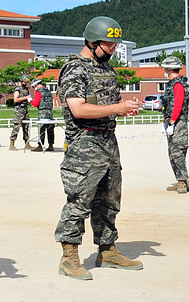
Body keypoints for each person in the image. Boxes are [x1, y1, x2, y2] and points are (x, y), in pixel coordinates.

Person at [53, 17, 144, 280]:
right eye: (109, 44)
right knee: (80, 200)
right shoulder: (74, 69)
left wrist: (124, 108)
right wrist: (117, 108)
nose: (113, 49)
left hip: (107, 141)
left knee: (109, 199)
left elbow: (108, 105)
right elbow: (78, 108)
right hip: (84, 143)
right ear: (92, 42)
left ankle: (107, 249)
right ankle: (69, 256)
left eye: (115, 44)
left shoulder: (107, 70)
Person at [161, 56, 189, 194]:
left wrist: (172, 122)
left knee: (178, 151)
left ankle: (182, 181)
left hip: (177, 122)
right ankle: (179, 179)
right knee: (172, 152)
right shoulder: (172, 83)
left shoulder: (178, 84)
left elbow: (178, 105)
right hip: (171, 120)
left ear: (168, 68)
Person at [33, 79, 58, 152]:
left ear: (36, 85)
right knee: (50, 129)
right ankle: (51, 145)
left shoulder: (38, 92)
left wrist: (30, 99)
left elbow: (35, 104)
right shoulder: (48, 91)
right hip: (50, 111)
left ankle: (40, 145)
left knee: (42, 129)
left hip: (43, 112)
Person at [9, 77, 32, 150]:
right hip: (19, 110)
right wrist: (26, 98)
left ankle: (27, 143)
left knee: (26, 127)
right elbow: (15, 100)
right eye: (24, 82)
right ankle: (12, 144)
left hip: (25, 110)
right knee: (16, 126)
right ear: (21, 80)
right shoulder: (17, 89)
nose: (25, 83)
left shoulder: (25, 89)